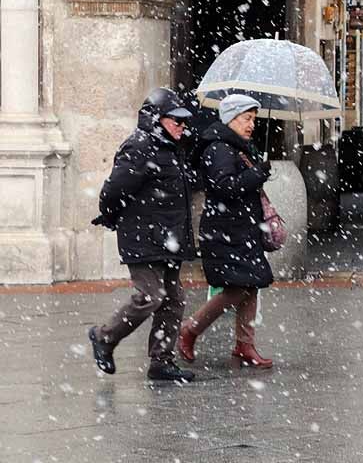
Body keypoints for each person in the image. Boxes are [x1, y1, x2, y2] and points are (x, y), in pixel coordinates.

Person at [88, 88, 197, 382]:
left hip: (168, 239)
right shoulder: (139, 147)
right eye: (175, 120)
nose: (181, 126)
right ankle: (104, 336)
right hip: (143, 238)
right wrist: (112, 217)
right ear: (156, 119)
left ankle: (161, 361)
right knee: (151, 296)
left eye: (183, 121)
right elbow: (112, 191)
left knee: (173, 299)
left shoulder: (173, 149)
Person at [178, 94, 275, 368]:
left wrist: (258, 170)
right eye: (246, 118)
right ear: (231, 118)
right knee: (236, 289)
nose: (251, 125)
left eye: (253, 119)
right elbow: (224, 186)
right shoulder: (219, 148)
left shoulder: (238, 147)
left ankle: (245, 345)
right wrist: (258, 173)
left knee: (251, 284)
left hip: (242, 229)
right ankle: (190, 329)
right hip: (226, 231)